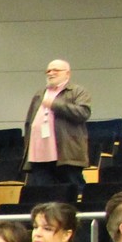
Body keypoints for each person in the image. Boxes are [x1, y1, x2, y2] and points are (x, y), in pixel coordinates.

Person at [21, 59, 92, 192]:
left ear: (67, 73)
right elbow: (29, 122)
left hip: (66, 153)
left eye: (56, 70)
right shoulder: (39, 94)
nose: (51, 73)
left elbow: (83, 113)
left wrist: (54, 104)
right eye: (48, 71)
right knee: (44, 194)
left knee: (73, 190)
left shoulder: (77, 91)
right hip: (39, 155)